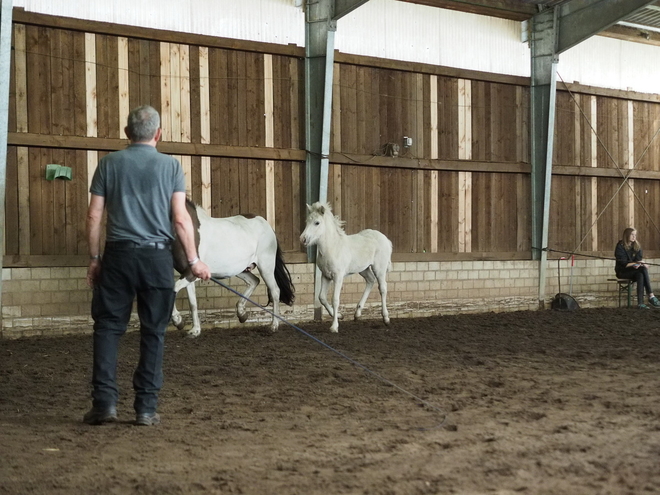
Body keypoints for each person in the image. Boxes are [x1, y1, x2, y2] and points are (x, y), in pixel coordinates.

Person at [83, 105, 211, 426]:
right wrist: (193, 261)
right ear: (159, 134)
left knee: (108, 328)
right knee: (154, 332)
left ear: (127, 134)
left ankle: (105, 404)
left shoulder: (108, 164)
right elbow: (181, 219)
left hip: (117, 257)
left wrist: (95, 258)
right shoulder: (171, 167)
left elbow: (94, 216)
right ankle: (145, 409)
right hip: (156, 259)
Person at [614, 227, 660, 310]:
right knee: (642, 269)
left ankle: (640, 304)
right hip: (622, 271)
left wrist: (641, 263)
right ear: (627, 235)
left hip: (634, 270)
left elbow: (638, 260)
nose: (634, 237)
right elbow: (623, 264)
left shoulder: (636, 246)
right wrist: (638, 263)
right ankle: (651, 295)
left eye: (635, 235)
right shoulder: (620, 246)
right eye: (632, 234)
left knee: (640, 274)